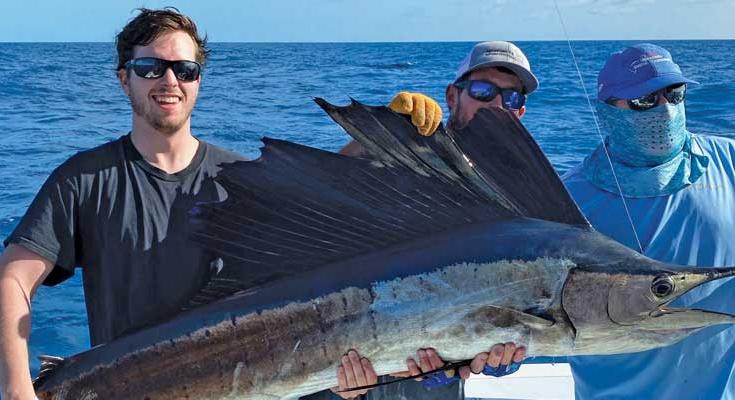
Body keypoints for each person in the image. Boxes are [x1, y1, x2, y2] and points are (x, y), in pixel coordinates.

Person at [0, 8, 247, 399]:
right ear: (123, 79)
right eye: (151, 67)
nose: (170, 81)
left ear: (198, 81)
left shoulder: (246, 182)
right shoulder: (83, 179)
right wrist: (16, 388)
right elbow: (13, 278)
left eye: (185, 69)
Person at [327, 40, 538, 399]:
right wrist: (382, 135)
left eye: (512, 97)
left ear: (520, 111)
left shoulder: (518, 195)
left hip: (437, 377)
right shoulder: (413, 154)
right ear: (452, 96)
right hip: (352, 360)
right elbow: (330, 190)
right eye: (483, 91)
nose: (498, 103)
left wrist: (512, 348)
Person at [561, 43, 735, 399]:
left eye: (674, 94)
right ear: (608, 110)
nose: (666, 110)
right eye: (645, 101)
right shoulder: (567, 198)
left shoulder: (730, 159)